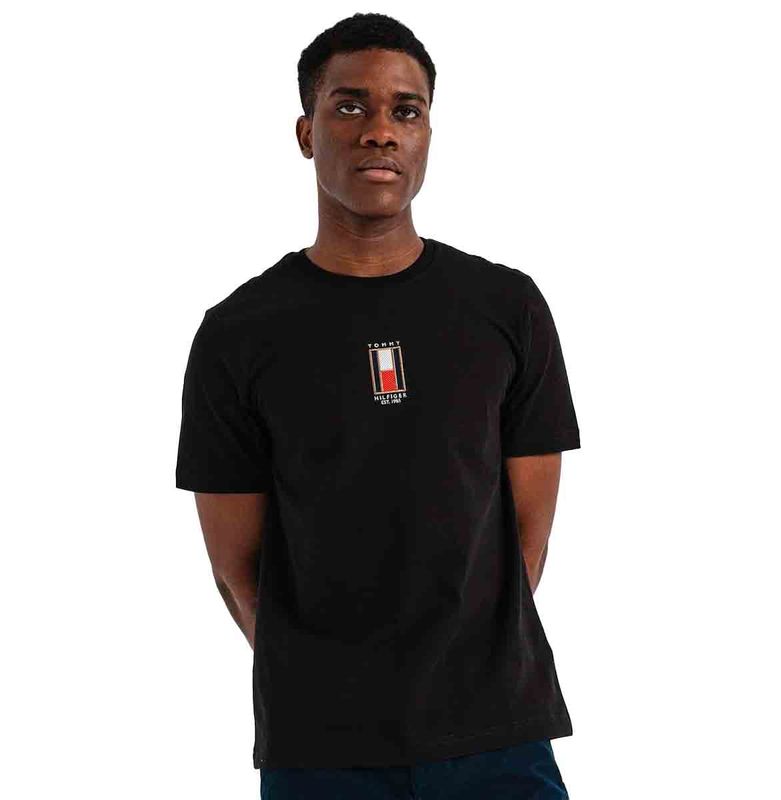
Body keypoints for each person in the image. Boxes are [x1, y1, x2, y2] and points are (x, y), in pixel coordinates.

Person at [175, 12, 581, 799]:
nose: (380, 132)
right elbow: (234, 568)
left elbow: (527, 538)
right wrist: (334, 684)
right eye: (350, 106)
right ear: (306, 132)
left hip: (497, 737)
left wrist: (460, 674)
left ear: (427, 134)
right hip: (321, 751)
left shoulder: (507, 308)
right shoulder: (238, 333)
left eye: (406, 110)